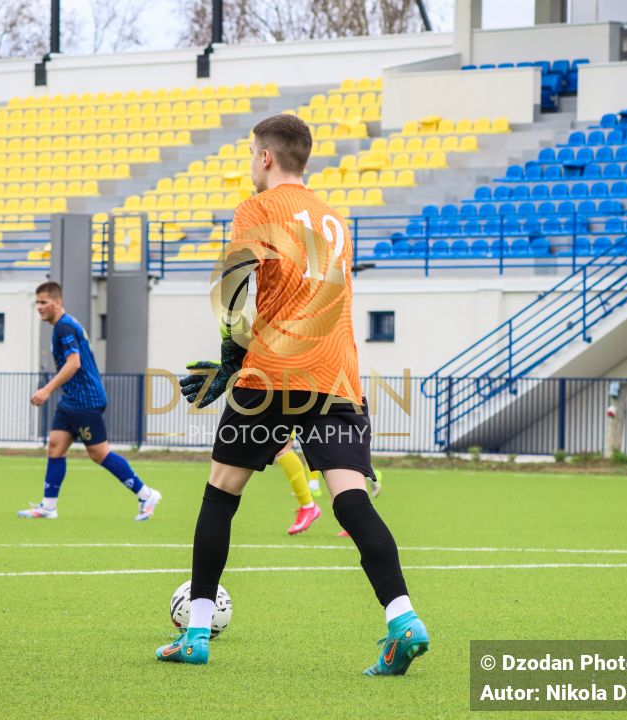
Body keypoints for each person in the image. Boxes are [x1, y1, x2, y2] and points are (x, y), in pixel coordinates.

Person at [155, 114, 429, 675]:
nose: (250, 161)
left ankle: (198, 629)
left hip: (274, 374)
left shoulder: (256, 210)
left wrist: (232, 361)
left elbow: (231, 289)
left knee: (220, 496)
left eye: (251, 152)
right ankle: (404, 620)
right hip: (337, 377)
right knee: (351, 500)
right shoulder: (335, 220)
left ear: (264, 158)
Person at [18, 281, 161, 521]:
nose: (39, 307)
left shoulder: (64, 327)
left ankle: (146, 494)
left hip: (85, 400)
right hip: (71, 400)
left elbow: (74, 363)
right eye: (37, 302)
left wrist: (46, 390)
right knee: (55, 445)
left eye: (44, 302)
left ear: (57, 302)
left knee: (99, 453)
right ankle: (48, 507)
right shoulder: (64, 325)